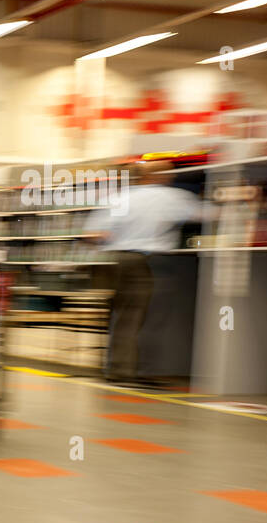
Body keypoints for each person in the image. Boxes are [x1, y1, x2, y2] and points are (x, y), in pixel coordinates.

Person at [87, 160, 204, 387]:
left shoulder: (118, 199)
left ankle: (119, 370)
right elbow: (206, 214)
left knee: (123, 318)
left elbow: (94, 234)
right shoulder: (171, 197)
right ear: (160, 176)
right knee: (151, 317)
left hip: (118, 260)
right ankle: (141, 372)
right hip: (151, 262)